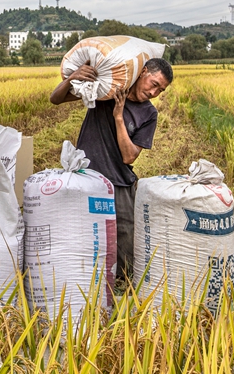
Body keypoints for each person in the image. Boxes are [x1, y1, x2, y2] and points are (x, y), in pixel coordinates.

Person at [50, 57, 173, 283]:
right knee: (84, 237)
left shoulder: (148, 114)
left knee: (125, 247)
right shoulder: (106, 90)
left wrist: (118, 117)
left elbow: (129, 156)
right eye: (154, 84)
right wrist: (73, 77)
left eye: (161, 90)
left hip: (120, 183)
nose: (155, 92)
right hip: (87, 179)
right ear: (143, 72)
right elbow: (55, 99)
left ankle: (124, 294)